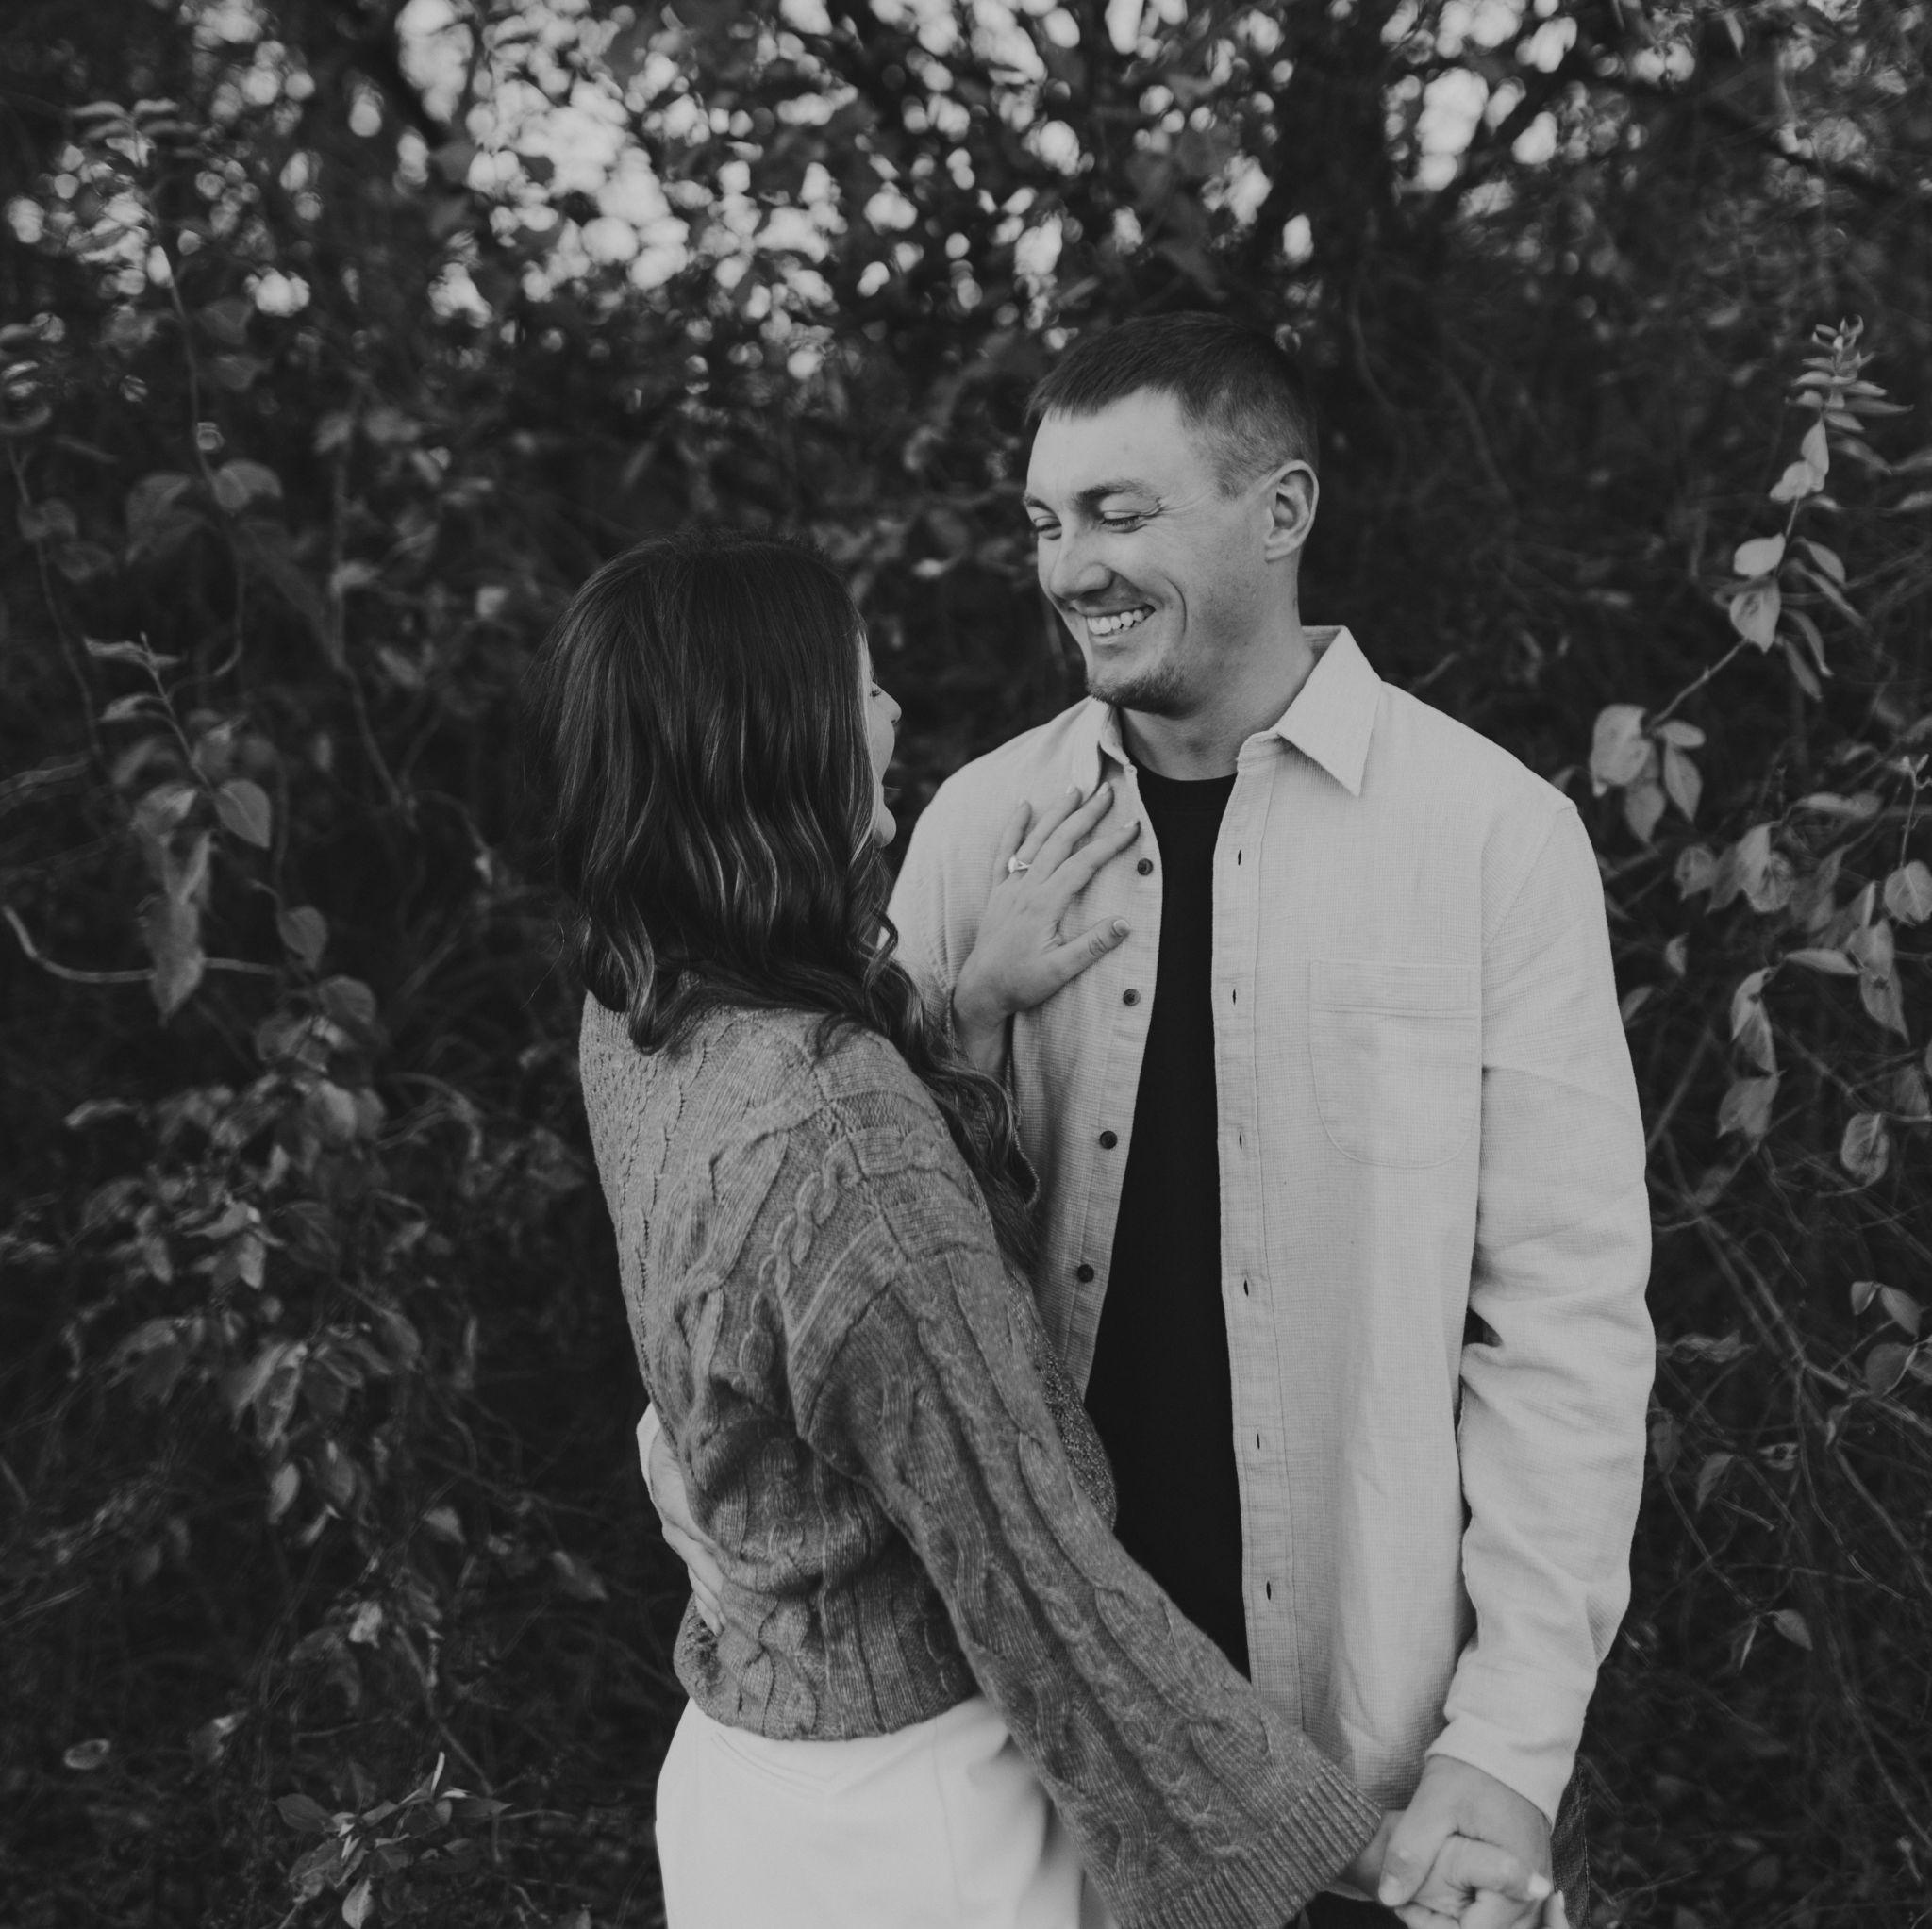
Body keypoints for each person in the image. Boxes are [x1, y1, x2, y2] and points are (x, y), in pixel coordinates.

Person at [641, 315, 1654, 1927]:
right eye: (1046, 523)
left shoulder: (1490, 841)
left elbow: (1566, 1329)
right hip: (1050, 1773)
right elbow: (823, 1231)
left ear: (1282, 509)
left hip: (1384, 1756)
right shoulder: (978, 829)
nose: (1071, 567)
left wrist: (1513, 1738)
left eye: (1120, 511)